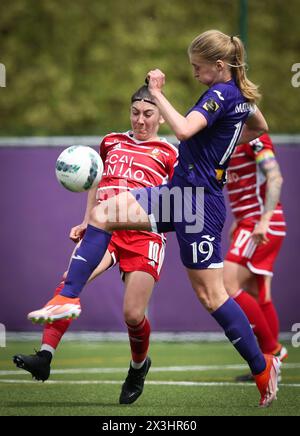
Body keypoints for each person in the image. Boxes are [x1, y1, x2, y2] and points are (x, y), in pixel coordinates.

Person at [28, 30, 281, 408]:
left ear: (218, 65)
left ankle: (263, 367)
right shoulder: (240, 97)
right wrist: (221, 146)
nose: (193, 72)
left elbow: (181, 130)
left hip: (197, 204)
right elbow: (258, 126)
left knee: (212, 295)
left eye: (197, 66)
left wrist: (158, 91)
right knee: (103, 213)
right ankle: (67, 298)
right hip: (177, 193)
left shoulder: (220, 94)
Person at [13, 85, 178, 405]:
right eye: (135, 113)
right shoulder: (111, 141)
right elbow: (96, 182)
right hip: (107, 232)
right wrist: (89, 219)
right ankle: (44, 358)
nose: (140, 120)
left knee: (133, 314)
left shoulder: (171, 153)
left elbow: (175, 202)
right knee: (69, 284)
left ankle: (138, 368)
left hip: (145, 236)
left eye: (148, 114)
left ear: (160, 117)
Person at [224, 133, 287, 381]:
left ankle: (272, 352)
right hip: (248, 223)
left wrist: (264, 220)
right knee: (257, 292)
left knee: (227, 285)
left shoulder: (254, 139)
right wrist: (239, 221)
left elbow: (275, 177)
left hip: (260, 225)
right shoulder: (227, 142)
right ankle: (270, 358)